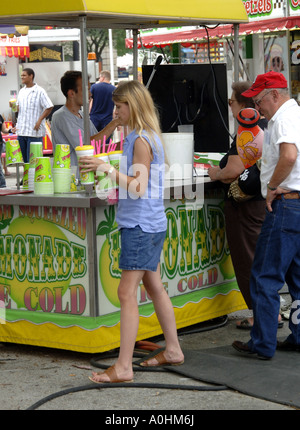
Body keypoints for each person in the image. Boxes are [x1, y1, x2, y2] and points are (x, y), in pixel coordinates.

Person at [80, 80, 184, 383]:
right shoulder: (146, 136)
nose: (115, 111)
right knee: (154, 287)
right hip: (150, 223)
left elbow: (137, 187)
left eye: (119, 106)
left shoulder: (139, 139)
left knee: (127, 292)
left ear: (133, 106)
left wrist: (106, 170)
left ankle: (124, 366)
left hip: (139, 224)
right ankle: (173, 349)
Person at [232, 71, 300, 360]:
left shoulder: (283, 118)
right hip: (295, 201)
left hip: (285, 202)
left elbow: (288, 155)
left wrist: (271, 187)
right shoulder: (293, 113)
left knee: (264, 276)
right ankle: (297, 335)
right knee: (296, 277)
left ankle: (262, 342)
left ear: (275, 94)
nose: (257, 108)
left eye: (259, 101)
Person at [208, 81, 269, 329]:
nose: (229, 105)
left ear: (241, 104)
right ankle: (267, 313)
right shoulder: (264, 125)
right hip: (263, 202)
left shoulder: (247, 130)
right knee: (261, 259)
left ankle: (260, 315)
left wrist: (214, 173)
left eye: (231, 101)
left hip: (246, 205)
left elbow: (232, 170)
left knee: (248, 260)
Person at [51, 71, 98, 169]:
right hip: (71, 177)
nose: (90, 94)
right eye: (86, 90)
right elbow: (85, 145)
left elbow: (98, 141)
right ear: (71, 93)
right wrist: (115, 123)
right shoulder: (61, 116)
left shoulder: (82, 115)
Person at [12, 68, 53, 162]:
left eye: (24, 75)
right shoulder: (22, 91)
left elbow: (49, 106)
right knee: (25, 160)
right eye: (21, 75)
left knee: (34, 160)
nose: (22, 77)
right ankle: (26, 176)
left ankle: (33, 176)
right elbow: (18, 109)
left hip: (34, 132)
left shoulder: (39, 91)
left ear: (31, 76)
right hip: (22, 131)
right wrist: (13, 106)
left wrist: (39, 120)